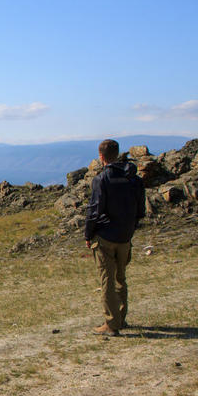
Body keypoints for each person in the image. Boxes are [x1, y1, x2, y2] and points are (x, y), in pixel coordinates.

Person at [84, 139, 146, 336]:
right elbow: (141, 210)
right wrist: (130, 229)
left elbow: (95, 211)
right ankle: (121, 318)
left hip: (106, 237)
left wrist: (88, 234)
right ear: (118, 154)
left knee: (107, 281)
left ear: (101, 157)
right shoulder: (134, 179)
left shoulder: (102, 180)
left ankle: (111, 324)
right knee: (121, 278)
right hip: (125, 237)